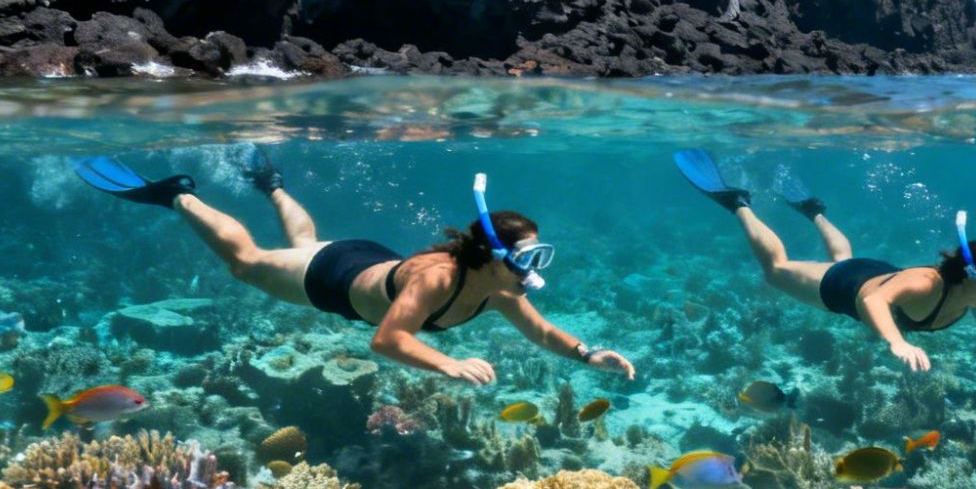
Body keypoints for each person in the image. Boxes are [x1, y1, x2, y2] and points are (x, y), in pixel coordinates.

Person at [72, 150, 634, 385]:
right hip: (333, 281)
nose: (533, 269)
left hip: (367, 259)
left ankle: (271, 186)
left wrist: (588, 354)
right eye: (528, 256)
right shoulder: (438, 279)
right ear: (494, 256)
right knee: (246, 264)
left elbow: (542, 333)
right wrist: (449, 364)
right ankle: (178, 195)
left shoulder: (501, 288)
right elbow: (387, 342)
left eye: (538, 255)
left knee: (309, 241)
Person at [674, 149, 976, 372]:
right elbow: (873, 303)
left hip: (874, 273)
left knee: (844, 257)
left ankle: (814, 210)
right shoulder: (927, 284)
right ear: (969, 275)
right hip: (848, 289)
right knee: (777, 270)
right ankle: (738, 203)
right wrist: (897, 342)